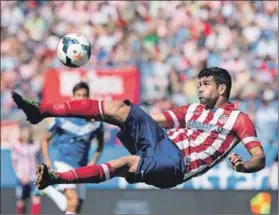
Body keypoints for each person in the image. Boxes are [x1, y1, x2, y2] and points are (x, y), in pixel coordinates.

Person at [12, 67, 265, 190]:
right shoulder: (191, 110)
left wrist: (243, 166)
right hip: (162, 141)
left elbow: (259, 158)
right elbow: (150, 119)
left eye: (206, 84)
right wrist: (111, 118)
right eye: (198, 84)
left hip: (177, 164)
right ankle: (41, 110)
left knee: (125, 163)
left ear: (222, 89)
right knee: (121, 110)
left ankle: (55, 178)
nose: (199, 88)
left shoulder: (239, 119)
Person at [40, 82, 104, 214]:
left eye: (84, 95)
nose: (81, 98)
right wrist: (47, 160)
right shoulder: (63, 118)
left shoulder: (95, 122)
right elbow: (44, 139)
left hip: (81, 167)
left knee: (76, 206)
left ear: (88, 98)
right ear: (73, 97)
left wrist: (94, 160)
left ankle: (50, 189)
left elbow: (100, 144)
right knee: (73, 201)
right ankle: (51, 187)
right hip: (64, 163)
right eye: (78, 95)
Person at [11, 125, 41, 214]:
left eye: (28, 132)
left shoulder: (36, 145)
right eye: (24, 132)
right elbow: (14, 162)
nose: (26, 134)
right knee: (21, 201)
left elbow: (39, 160)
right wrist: (20, 176)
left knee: (36, 199)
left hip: (34, 178)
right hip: (22, 178)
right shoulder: (16, 146)